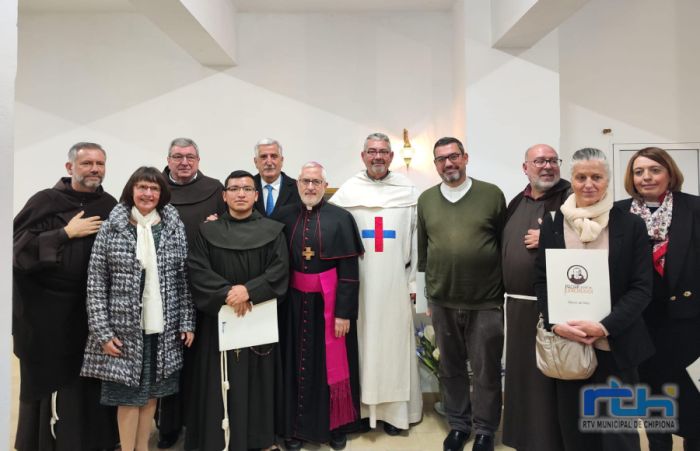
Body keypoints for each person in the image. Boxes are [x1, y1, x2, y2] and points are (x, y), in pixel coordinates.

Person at [534, 148, 653, 451]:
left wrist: (604, 327)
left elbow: (641, 288)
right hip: (569, 345)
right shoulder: (552, 224)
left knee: (618, 434)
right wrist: (556, 324)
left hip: (617, 345)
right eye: (581, 177)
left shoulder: (631, 225)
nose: (588, 183)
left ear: (607, 181)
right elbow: (543, 281)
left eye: (596, 177)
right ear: (570, 180)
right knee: (575, 432)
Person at [13, 142, 119, 451]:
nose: (95, 169)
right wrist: (64, 234)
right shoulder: (45, 201)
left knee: (90, 378)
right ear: (69, 167)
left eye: (100, 163)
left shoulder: (109, 204)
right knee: (54, 376)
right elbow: (16, 252)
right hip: (49, 311)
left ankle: (93, 440)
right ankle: (49, 441)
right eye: (87, 163)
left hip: (91, 309)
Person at [81, 167, 196, 451]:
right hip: (122, 329)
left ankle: (142, 447)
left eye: (154, 189)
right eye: (142, 187)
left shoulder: (172, 226)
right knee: (127, 395)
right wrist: (102, 332)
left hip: (162, 326)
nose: (148, 194)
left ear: (162, 194)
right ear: (131, 190)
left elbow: (184, 277)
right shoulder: (112, 226)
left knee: (152, 394)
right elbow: (96, 282)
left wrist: (187, 322)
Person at [185, 170, 289, 451]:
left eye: (246, 189)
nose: (240, 194)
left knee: (258, 383)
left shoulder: (273, 230)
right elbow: (197, 270)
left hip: (258, 321)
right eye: (234, 189)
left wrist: (250, 291)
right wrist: (227, 293)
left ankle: (259, 439)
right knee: (217, 380)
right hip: (219, 321)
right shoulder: (207, 231)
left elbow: (280, 271)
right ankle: (218, 439)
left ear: (256, 195)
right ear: (224, 195)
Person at [329, 132, 422, 435]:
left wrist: (413, 286)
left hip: (395, 285)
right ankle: (360, 412)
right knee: (361, 348)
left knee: (395, 346)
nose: (378, 156)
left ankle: (395, 415)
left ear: (392, 156)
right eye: (372, 151)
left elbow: (418, 243)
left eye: (383, 151)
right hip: (360, 286)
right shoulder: (347, 194)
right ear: (363, 156)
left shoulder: (407, 192)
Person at [417, 137, 506, 451]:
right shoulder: (426, 199)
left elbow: (503, 244)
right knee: (450, 369)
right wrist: (427, 294)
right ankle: (459, 425)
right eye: (441, 159)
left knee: (486, 370)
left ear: (465, 157)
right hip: (443, 301)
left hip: (486, 300)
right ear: (435, 164)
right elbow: (423, 251)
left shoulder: (491, 195)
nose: (448, 163)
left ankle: (485, 429)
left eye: (454, 156)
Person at [276, 162, 365, 451]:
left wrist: (343, 313)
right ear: (297, 183)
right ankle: (294, 428)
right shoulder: (284, 216)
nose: (310, 187)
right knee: (294, 365)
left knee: (331, 367)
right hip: (292, 305)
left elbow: (350, 272)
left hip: (329, 306)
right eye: (305, 181)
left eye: (316, 181)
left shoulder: (340, 218)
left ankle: (335, 427)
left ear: (325, 185)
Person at [617, 147, 700, 451]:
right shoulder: (618, 212)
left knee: (675, 386)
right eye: (639, 171)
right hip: (637, 321)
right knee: (652, 390)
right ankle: (659, 445)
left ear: (669, 173)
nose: (646, 177)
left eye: (654, 169)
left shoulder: (694, 207)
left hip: (685, 318)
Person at [157, 137, 225, 448]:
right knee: (167, 357)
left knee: (201, 358)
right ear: (167, 159)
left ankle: (201, 422)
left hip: (205, 285)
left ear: (199, 160)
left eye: (190, 157)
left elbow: (230, 227)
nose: (184, 162)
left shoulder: (215, 188)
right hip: (163, 288)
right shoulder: (151, 187)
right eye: (178, 156)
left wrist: (219, 224)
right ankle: (168, 424)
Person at [501, 144, 570, 451]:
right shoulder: (518, 201)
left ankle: (549, 442)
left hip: (553, 307)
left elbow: (593, 240)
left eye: (553, 160)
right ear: (525, 167)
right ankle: (523, 438)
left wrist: (551, 237)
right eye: (539, 161)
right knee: (522, 378)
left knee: (547, 379)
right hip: (517, 306)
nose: (547, 166)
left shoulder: (570, 199)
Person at [252, 138, 302, 216]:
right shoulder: (246, 188)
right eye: (263, 157)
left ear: (281, 161)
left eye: (274, 156)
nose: (269, 162)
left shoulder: (298, 187)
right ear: (256, 162)